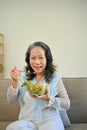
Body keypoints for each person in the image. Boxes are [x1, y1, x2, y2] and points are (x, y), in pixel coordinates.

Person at [6, 41, 70, 130]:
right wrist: (14, 82)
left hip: (50, 120)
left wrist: (48, 98)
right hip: (27, 121)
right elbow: (11, 101)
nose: (37, 62)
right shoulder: (22, 78)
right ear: (28, 60)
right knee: (11, 128)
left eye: (41, 58)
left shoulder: (55, 79)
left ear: (47, 59)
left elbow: (67, 104)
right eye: (33, 58)